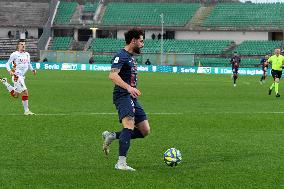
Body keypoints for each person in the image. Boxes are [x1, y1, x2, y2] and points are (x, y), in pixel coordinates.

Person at [102, 29, 150, 171]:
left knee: (144, 131)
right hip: (123, 96)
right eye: (141, 41)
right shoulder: (121, 55)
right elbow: (112, 76)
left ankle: (112, 135)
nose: (142, 44)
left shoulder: (131, 56)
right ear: (133, 40)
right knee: (129, 125)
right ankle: (121, 163)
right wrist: (129, 88)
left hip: (132, 97)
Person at [1, 40, 37, 115]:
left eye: (24, 44)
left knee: (15, 95)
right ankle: (26, 111)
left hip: (22, 77)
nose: (23, 45)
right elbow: (7, 64)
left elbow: (29, 64)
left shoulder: (27, 54)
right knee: (25, 92)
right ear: (18, 46)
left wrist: (33, 69)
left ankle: (5, 82)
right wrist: (10, 70)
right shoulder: (14, 54)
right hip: (16, 76)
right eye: (21, 44)